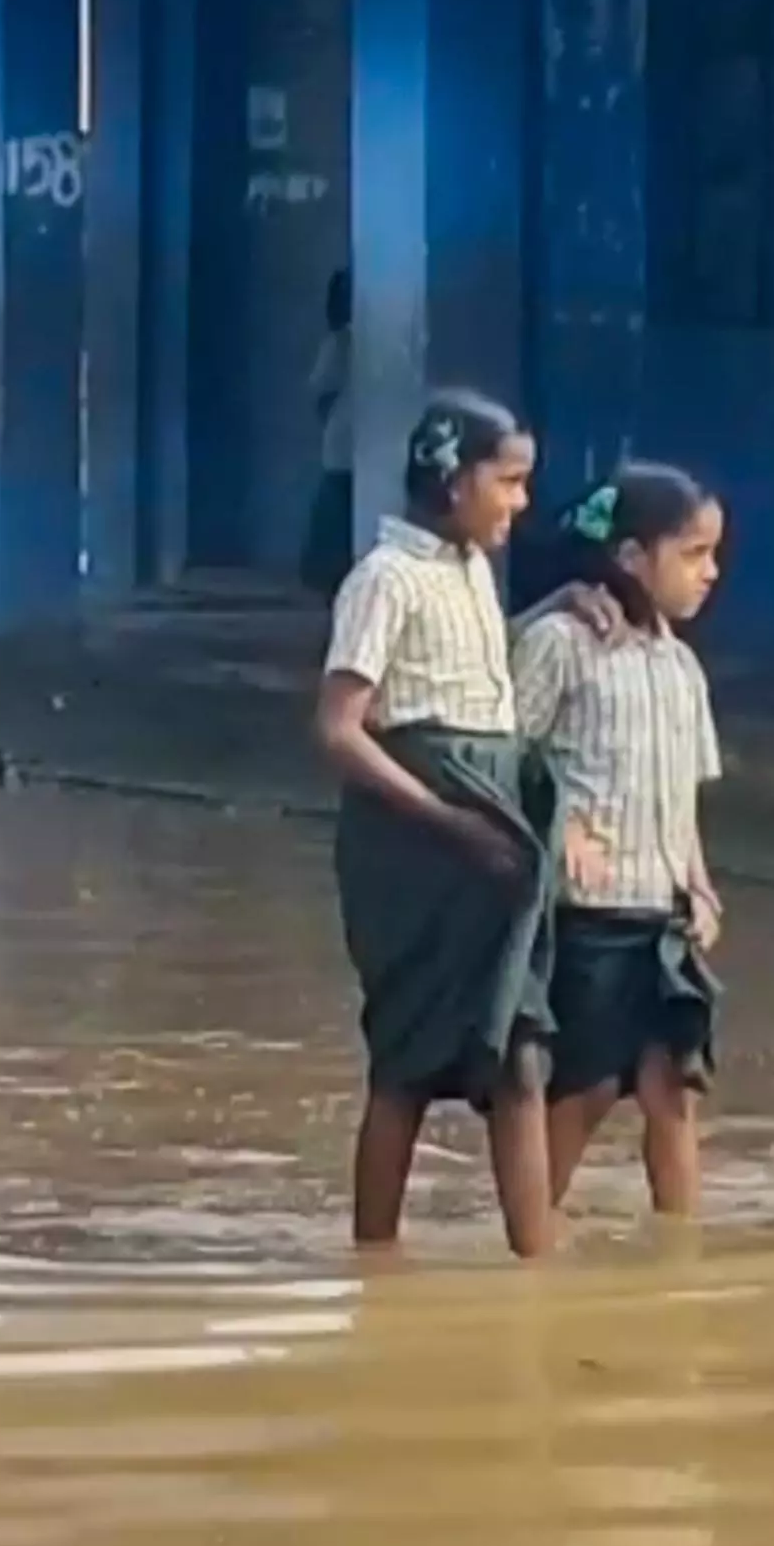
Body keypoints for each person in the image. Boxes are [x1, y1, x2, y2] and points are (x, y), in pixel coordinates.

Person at [314, 390, 563, 1257]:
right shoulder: (384, 579)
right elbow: (340, 727)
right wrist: (447, 820)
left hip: (489, 843)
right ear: (455, 482)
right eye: (510, 481)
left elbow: (476, 680)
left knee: (520, 1050)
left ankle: (540, 1268)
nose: (521, 502)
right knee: (408, 1064)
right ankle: (372, 1263)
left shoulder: (468, 574)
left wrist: (568, 604)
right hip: (413, 851)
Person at [514, 462, 731, 1219]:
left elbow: (683, 802)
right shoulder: (560, 644)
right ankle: (526, 1243)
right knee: (586, 1090)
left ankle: (682, 1259)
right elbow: (501, 756)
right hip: (591, 915)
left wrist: (700, 886)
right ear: (632, 557)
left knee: (672, 1090)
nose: (711, 573)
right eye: (694, 554)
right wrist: (560, 823)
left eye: (713, 555)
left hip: (663, 913)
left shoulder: (681, 668)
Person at [298, 270, 358, 593]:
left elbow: (320, 389)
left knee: (334, 513)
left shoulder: (338, 341)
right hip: (354, 447)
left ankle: (325, 575)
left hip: (340, 446)